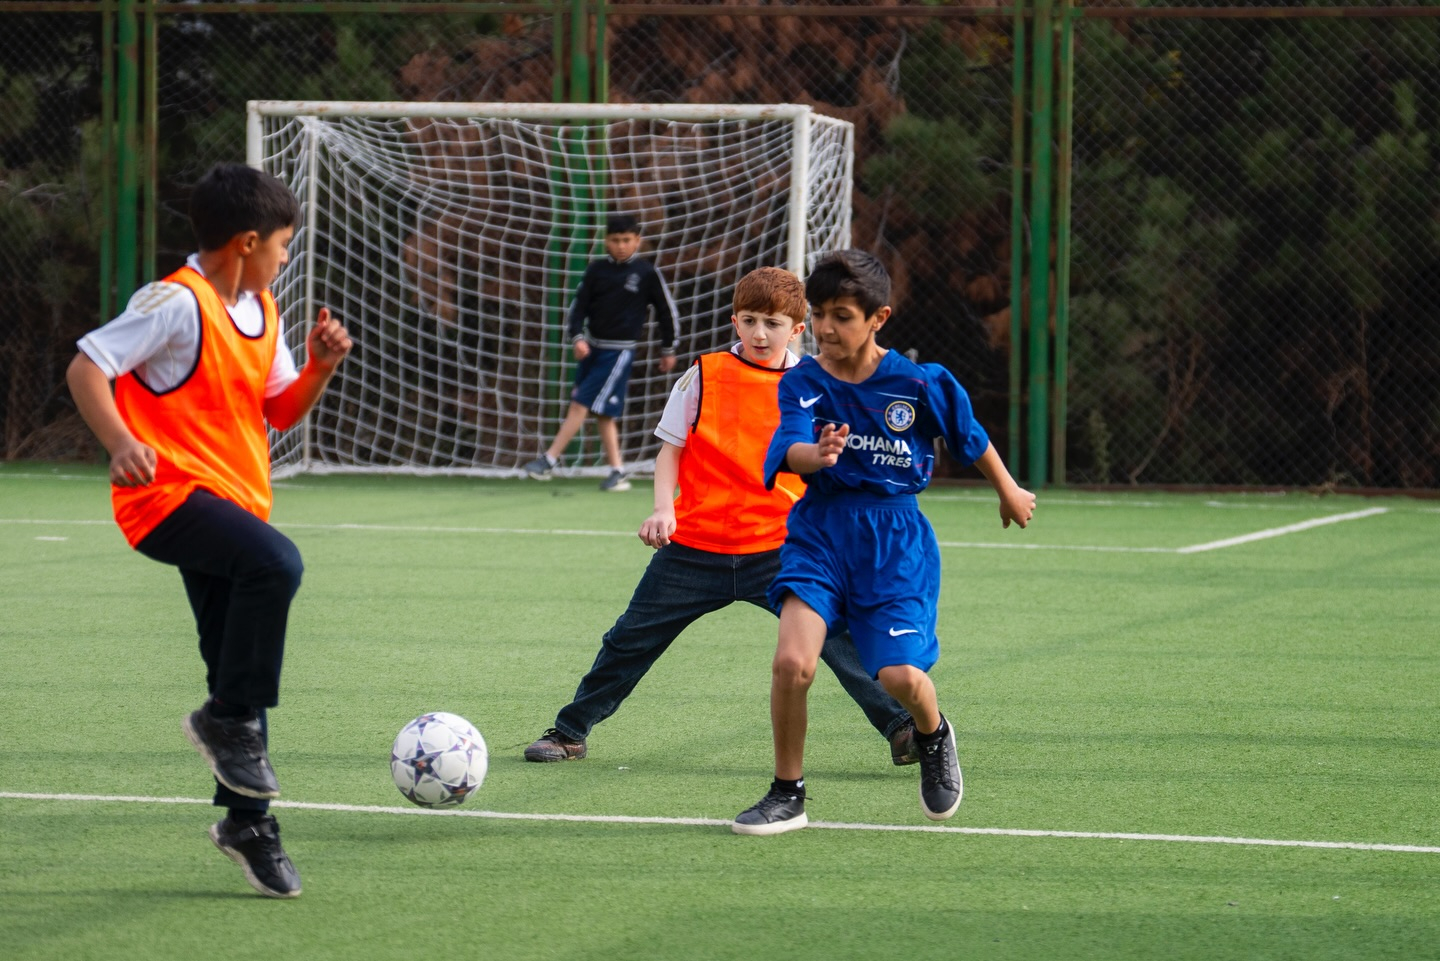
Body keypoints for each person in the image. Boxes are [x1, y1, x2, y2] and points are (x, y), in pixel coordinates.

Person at [65, 163, 353, 897]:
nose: (286, 258)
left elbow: (280, 411)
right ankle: (222, 720)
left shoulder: (265, 309)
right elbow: (87, 367)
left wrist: (318, 367)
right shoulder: (175, 302)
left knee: (236, 660)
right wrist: (121, 441)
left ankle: (247, 823)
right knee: (277, 568)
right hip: (163, 498)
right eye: (283, 245)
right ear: (247, 241)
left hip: (231, 505)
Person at [524, 267, 918, 766]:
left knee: (840, 637)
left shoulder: (816, 385)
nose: (759, 333)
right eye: (749, 320)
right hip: (694, 548)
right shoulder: (704, 374)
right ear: (734, 320)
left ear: (797, 329)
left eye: (772, 323)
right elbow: (671, 449)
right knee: (629, 639)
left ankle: (903, 727)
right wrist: (663, 508)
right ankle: (569, 731)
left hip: (781, 549)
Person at [732, 249, 1036, 836]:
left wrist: (1009, 489)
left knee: (898, 677)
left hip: (894, 540)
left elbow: (970, 438)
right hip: (819, 532)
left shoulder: (918, 382)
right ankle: (787, 791)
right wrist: (815, 457)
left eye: (842, 315)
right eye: (819, 314)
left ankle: (933, 732)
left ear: (879, 318)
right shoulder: (803, 380)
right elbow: (789, 446)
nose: (825, 328)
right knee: (793, 662)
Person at [522, 213, 681, 492]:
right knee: (603, 413)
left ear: (637, 241)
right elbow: (578, 307)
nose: (621, 245)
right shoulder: (596, 270)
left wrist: (668, 348)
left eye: (627, 240)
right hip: (593, 349)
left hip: (619, 353)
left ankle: (549, 459)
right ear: (606, 241)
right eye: (616, 240)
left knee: (580, 404)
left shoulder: (646, 273)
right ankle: (618, 471)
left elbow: (667, 312)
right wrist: (578, 337)